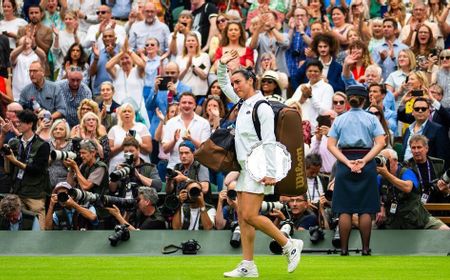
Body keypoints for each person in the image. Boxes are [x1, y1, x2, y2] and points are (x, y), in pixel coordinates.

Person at [218, 50, 303, 277]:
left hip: (259, 168)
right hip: (246, 169)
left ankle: (288, 244)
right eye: (234, 82)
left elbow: (269, 142)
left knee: (250, 216)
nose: (235, 86)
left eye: (239, 82)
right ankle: (248, 265)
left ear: (250, 81)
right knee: (242, 217)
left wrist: (271, 172)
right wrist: (222, 65)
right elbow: (223, 83)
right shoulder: (243, 102)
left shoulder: (262, 107)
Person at [327, 85, 386, 256]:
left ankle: (344, 250)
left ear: (348, 99)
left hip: (345, 163)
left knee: (344, 208)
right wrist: (365, 160)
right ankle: (365, 249)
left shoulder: (340, 119)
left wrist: (346, 161)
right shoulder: (371, 118)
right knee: (365, 209)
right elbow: (381, 142)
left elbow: (331, 145)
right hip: (365, 163)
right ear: (364, 99)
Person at [375, 148, 449, 230]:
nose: (383, 163)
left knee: (445, 230)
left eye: (385, 159)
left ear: (395, 161)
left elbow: (407, 188)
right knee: (366, 225)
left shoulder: (407, 172)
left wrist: (386, 174)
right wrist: (381, 207)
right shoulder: (380, 177)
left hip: (418, 219)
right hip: (393, 222)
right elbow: (376, 195)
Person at [5, 109, 51, 230]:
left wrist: (16, 162)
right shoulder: (15, 142)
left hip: (35, 193)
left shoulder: (43, 145)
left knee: (39, 230)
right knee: (16, 228)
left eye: (20, 122)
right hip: (17, 191)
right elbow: (8, 169)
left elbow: (38, 170)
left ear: (30, 124)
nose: (17, 125)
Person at [161, 92, 210, 169]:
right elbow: (165, 150)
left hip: (197, 168)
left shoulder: (204, 123)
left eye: (190, 103)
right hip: (174, 166)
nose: (187, 105)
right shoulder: (171, 122)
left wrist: (191, 139)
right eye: (184, 102)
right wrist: (174, 140)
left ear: (194, 106)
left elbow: (205, 150)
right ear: (179, 105)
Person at [108, 103, 152, 174]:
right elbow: (109, 153)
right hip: (118, 167)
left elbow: (149, 150)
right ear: (120, 114)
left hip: (140, 166)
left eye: (129, 111)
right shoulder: (114, 129)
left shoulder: (141, 127)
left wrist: (136, 143)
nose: (127, 113)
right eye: (124, 111)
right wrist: (122, 146)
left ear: (134, 114)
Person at [405, 135, 449, 203]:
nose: (416, 151)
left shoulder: (439, 164)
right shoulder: (406, 165)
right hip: (415, 207)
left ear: (426, 148)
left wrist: (446, 190)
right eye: (413, 148)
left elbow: (446, 190)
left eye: (419, 147)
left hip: (436, 205)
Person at [10, 34, 46, 101]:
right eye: (22, 44)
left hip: (35, 95)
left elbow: (43, 56)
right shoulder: (17, 56)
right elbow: (12, 56)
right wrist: (22, 47)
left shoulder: (36, 56)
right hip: (17, 96)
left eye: (27, 44)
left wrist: (35, 47)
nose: (25, 46)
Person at [48, 118, 72, 189]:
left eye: (61, 129)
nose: (57, 131)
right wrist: (55, 154)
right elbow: (44, 164)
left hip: (63, 182)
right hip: (47, 180)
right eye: (55, 129)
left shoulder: (71, 145)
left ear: (66, 131)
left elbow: (69, 167)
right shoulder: (47, 144)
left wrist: (60, 154)